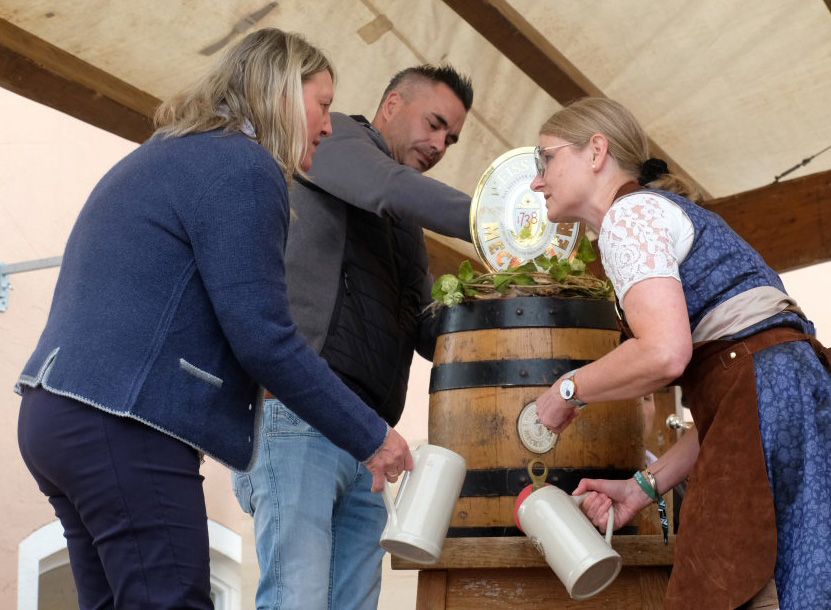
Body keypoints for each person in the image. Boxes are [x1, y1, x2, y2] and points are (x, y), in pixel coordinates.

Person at [15, 28, 412, 610]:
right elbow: (265, 338)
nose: (329, 126)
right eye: (323, 105)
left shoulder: (171, 152)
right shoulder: (242, 165)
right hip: (124, 420)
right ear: (281, 93)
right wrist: (371, 436)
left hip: (55, 411)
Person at [530, 97, 830, 609]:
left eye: (546, 159)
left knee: (728, 588)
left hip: (775, 395)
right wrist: (643, 488)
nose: (538, 181)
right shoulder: (660, 214)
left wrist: (567, 390)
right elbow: (736, 396)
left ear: (596, 151)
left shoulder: (628, 217)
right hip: (790, 395)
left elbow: (666, 353)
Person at [232, 64, 473, 610]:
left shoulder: (406, 221)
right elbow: (388, 187)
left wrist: (499, 314)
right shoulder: (334, 137)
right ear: (392, 105)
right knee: (296, 600)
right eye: (435, 124)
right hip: (299, 414)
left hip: (370, 439)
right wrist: (496, 218)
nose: (440, 145)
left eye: (451, 139)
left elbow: (427, 327)